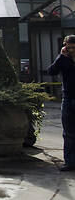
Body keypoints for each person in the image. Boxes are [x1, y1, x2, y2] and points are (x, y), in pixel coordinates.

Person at [48, 34, 75, 171]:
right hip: (68, 97)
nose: (72, 50)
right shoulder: (64, 59)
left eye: (74, 48)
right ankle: (70, 162)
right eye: (69, 48)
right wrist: (60, 57)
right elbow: (51, 71)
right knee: (68, 132)